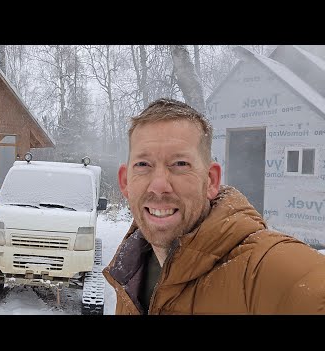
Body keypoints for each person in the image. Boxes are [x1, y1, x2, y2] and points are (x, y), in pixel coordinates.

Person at [102, 98, 325, 315]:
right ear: (125, 182)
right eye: (143, 164)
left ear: (211, 180)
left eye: (180, 164)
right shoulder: (129, 273)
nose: (159, 186)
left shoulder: (267, 271)